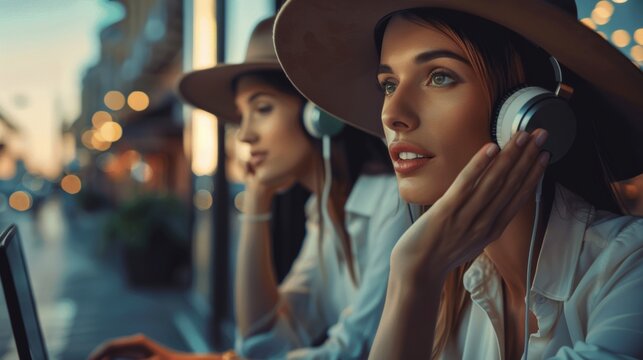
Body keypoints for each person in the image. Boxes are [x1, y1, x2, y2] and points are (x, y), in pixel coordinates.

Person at [273, 0, 643, 359]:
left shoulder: (630, 267)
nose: (392, 114)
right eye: (388, 84)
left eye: (439, 76)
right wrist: (414, 277)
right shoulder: (449, 293)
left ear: (530, 110)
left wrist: (414, 274)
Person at [90, 16, 411, 360]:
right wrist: (257, 201)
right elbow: (262, 342)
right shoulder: (324, 210)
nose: (244, 135)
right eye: (242, 116)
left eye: (262, 108)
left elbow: (352, 352)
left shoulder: (392, 203)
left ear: (318, 113)